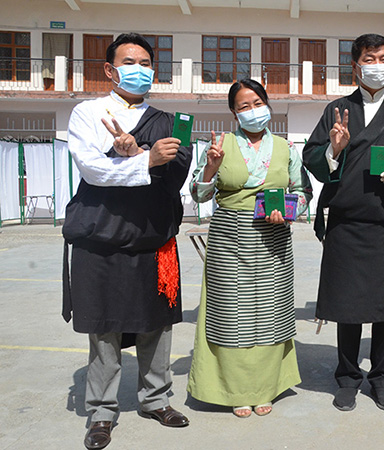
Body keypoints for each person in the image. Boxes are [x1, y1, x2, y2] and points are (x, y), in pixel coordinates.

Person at [61, 33, 191, 450]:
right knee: (104, 329)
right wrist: (142, 158)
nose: (140, 69)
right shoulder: (87, 113)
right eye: (130, 61)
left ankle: (156, 399)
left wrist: (143, 153)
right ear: (110, 70)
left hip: (152, 236)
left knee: (158, 324)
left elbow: (176, 175)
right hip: (100, 238)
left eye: (146, 63)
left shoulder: (168, 121)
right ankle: (101, 412)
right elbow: (93, 169)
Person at [303, 33, 384, 412]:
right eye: (369, 58)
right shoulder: (336, 111)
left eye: (383, 57)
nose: (377, 65)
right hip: (347, 224)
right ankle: (347, 377)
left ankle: (382, 378)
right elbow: (311, 157)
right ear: (355, 65)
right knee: (347, 308)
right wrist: (333, 149)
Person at [186, 79, 312, 417]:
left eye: (257, 102)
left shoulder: (286, 148)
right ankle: (235, 390)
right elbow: (198, 196)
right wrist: (212, 165)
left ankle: (265, 388)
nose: (252, 111)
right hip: (229, 239)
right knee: (230, 313)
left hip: (274, 238)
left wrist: (286, 211)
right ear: (233, 113)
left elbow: (302, 193)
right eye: (243, 106)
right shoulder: (219, 144)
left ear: (267, 104)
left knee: (270, 313)